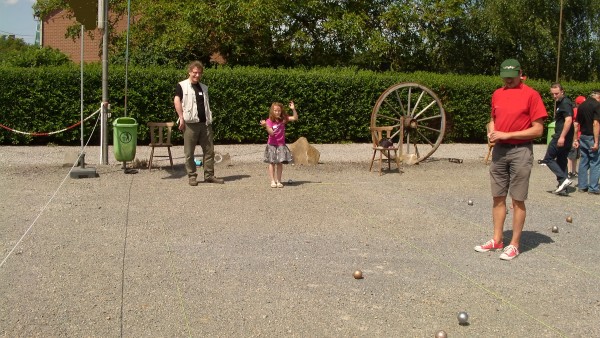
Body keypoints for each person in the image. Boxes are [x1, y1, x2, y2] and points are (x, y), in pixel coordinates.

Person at [474, 59, 548, 260]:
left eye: (511, 77)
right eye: (505, 77)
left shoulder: (531, 95)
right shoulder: (498, 93)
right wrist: (492, 130)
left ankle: (514, 244)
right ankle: (497, 239)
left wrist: (507, 135)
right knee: (497, 197)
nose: (508, 81)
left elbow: (538, 129)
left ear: (520, 74)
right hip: (499, 151)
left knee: (517, 199)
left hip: (520, 151)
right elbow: (493, 119)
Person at [174, 61, 224, 186]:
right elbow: (177, 101)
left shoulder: (204, 87)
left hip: (205, 124)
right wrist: (181, 118)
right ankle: (192, 176)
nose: (197, 75)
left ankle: (209, 175)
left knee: (209, 151)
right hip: (190, 124)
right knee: (189, 152)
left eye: (199, 73)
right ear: (189, 72)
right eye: (195, 72)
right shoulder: (181, 85)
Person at [541, 83, 574, 194]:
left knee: (548, 159)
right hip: (565, 136)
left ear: (562, 91)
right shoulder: (562, 103)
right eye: (552, 94)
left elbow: (569, 120)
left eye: (556, 93)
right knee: (561, 160)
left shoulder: (565, 103)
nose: (554, 96)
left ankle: (563, 179)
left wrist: (562, 137)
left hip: (561, 136)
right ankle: (563, 187)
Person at [260, 101, 299, 188]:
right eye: (275, 110)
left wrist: (293, 109)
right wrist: (266, 125)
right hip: (272, 144)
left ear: (281, 111)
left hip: (281, 144)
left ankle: (279, 181)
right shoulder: (269, 121)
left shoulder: (283, 119)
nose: (277, 112)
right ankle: (272, 181)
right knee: (272, 163)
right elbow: (271, 133)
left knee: (280, 163)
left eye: (279, 111)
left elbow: (295, 118)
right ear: (272, 111)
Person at [572, 90, 600, 194]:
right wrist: (596, 141)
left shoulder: (581, 106)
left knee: (584, 161)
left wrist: (575, 139)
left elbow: (576, 124)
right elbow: (596, 124)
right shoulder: (597, 105)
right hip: (592, 136)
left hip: (582, 136)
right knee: (595, 161)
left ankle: (582, 186)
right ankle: (593, 187)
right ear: (598, 97)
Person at [567, 96, 586, 178]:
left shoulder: (580, 110)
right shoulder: (575, 111)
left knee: (576, 155)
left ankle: (574, 171)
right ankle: (569, 171)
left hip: (579, 135)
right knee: (571, 154)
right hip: (574, 135)